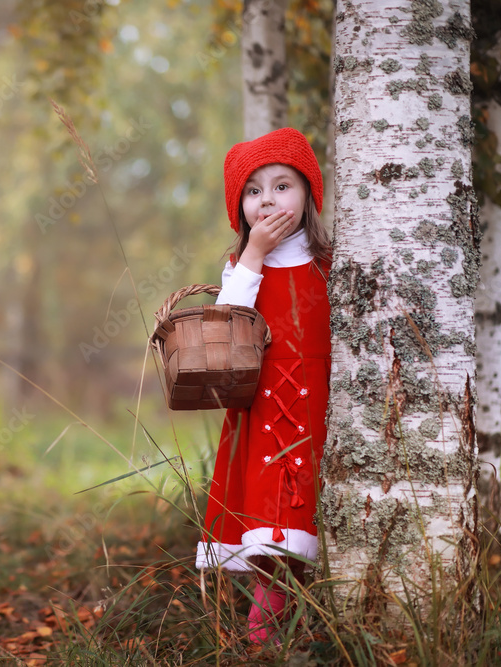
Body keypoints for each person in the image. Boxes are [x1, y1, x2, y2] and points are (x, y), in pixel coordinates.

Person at [195, 127, 332, 644]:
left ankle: (311, 632)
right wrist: (253, 255)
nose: (268, 200)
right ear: (240, 209)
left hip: (321, 411)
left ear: (308, 194)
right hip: (267, 417)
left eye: (282, 186)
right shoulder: (240, 267)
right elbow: (228, 326)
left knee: (317, 525)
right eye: (254, 191)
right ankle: (264, 639)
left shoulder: (331, 262)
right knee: (272, 530)